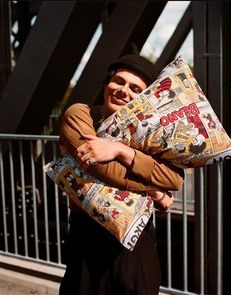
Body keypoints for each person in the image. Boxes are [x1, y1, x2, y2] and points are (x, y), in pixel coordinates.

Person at [59, 53, 184, 295]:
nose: (124, 90)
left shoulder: (150, 134)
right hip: (88, 237)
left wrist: (120, 150)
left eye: (136, 88)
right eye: (119, 81)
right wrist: (152, 188)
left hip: (137, 243)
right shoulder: (80, 115)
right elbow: (99, 167)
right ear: (107, 84)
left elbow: (175, 178)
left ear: (145, 99)